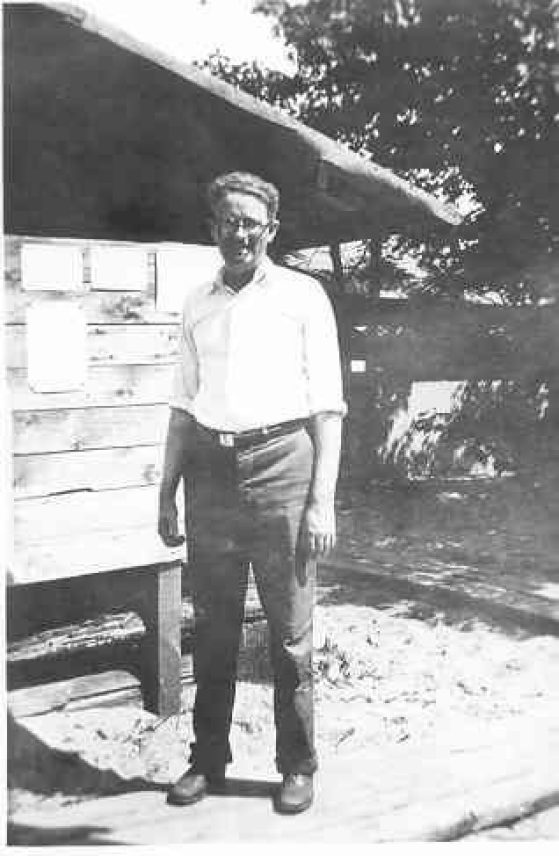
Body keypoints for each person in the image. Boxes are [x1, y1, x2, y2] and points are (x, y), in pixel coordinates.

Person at [157, 171, 345, 815]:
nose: (238, 233)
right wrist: (166, 490)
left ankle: (297, 764)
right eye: (227, 222)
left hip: (283, 469)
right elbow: (183, 405)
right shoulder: (196, 302)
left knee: (291, 631)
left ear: (271, 229)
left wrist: (322, 498)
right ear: (212, 230)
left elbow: (327, 408)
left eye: (250, 222)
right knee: (213, 628)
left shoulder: (304, 296)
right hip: (210, 472)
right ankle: (207, 759)